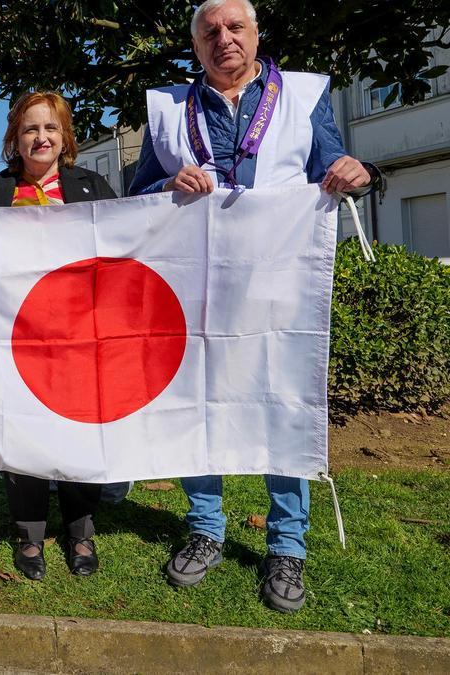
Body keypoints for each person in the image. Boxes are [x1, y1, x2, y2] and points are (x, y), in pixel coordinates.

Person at [128, 0, 379, 612]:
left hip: (277, 280)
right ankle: (205, 527)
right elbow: (136, 193)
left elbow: (333, 167)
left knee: (283, 401)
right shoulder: (165, 106)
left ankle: (287, 542)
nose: (224, 39)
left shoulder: (303, 94)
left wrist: (358, 170)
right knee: (194, 400)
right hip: (195, 287)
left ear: (257, 34)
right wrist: (166, 184)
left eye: (235, 27)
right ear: (195, 44)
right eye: (210, 31)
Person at [0, 92, 118, 579]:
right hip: (16, 336)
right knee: (23, 430)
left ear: (65, 138)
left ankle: (80, 530)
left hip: (80, 337)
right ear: (15, 137)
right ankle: (29, 534)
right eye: (31, 129)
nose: (41, 138)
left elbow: (122, 254)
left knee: (78, 431)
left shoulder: (93, 188)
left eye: (51, 129)